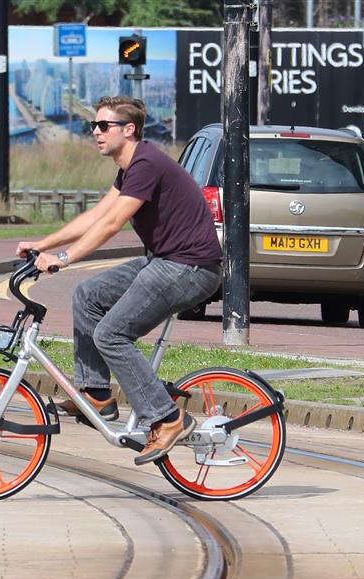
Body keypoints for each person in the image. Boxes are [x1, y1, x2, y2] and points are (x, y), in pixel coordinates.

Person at [16, 96, 223, 466]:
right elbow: (99, 214)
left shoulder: (145, 163)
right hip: (164, 260)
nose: (95, 133)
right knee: (88, 294)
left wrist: (62, 259)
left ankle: (168, 417)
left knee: (111, 334)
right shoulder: (129, 166)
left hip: (189, 267)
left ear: (129, 130)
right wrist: (41, 244)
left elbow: (112, 226)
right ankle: (96, 394)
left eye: (103, 126)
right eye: (93, 126)